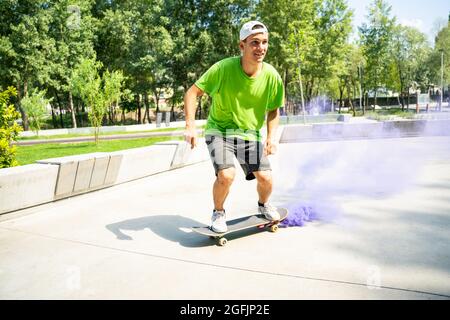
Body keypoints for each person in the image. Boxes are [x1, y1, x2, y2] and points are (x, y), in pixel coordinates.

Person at [183, 20, 285, 233]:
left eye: (264, 42)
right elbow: (192, 93)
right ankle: (218, 212)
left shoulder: (272, 76)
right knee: (226, 175)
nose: (261, 48)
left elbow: (274, 109)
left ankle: (263, 205)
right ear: (242, 46)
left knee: (266, 178)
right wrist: (190, 126)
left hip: (250, 134)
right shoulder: (223, 69)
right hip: (219, 131)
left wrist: (271, 137)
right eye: (255, 43)